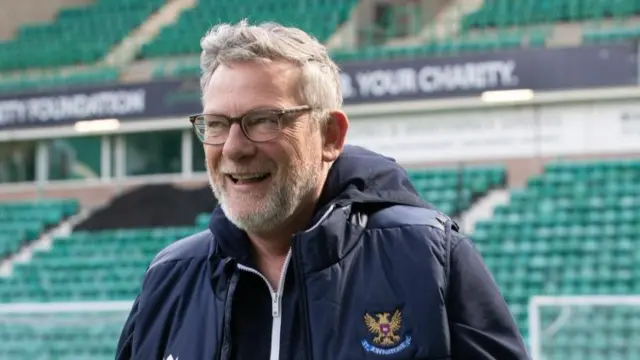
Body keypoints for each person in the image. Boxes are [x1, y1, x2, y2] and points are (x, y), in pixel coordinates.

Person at [115, 20, 530, 360]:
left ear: (330, 135)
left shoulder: (430, 258)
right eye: (217, 124)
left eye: (264, 120)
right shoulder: (169, 279)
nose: (235, 149)